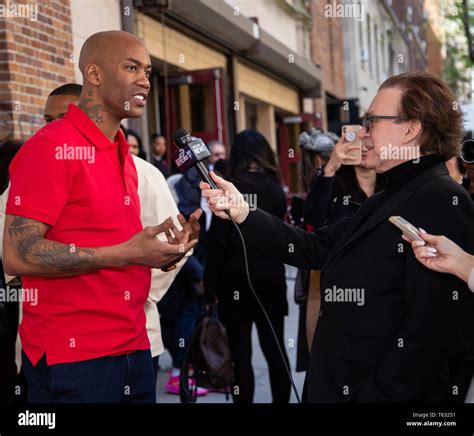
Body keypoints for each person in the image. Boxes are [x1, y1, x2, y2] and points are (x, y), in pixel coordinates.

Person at [200, 71, 474, 403]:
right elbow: (313, 247)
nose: (363, 132)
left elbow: (432, 337)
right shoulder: (393, 192)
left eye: (372, 121)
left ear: (411, 128)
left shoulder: (440, 198)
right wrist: (243, 211)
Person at [2, 30, 199, 404]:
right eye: (131, 67)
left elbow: (118, 245)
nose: (145, 80)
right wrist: (126, 253)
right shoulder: (50, 147)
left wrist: (164, 254)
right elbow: (18, 254)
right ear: (93, 75)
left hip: (135, 347)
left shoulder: (121, 152)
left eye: (148, 70)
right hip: (74, 360)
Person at [204, 130, 291, 403]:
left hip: (234, 283)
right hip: (270, 280)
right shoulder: (277, 189)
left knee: (241, 357)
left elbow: (217, 242)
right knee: (276, 350)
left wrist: (210, 286)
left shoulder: (230, 189)